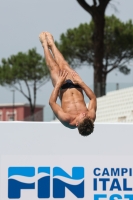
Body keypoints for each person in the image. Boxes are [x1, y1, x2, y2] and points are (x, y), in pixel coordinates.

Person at [39, 32, 97, 136]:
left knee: (54, 67)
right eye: (86, 116)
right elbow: (93, 98)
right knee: (64, 64)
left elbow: (52, 103)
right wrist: (81, 83)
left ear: (77, 123)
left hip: (62, 87)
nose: (84, 114)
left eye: (83, 116)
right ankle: (52, 44)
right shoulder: (91, 116)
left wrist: (58, 83)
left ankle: (44, 45)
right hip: (77, 84)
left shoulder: (67, 120)